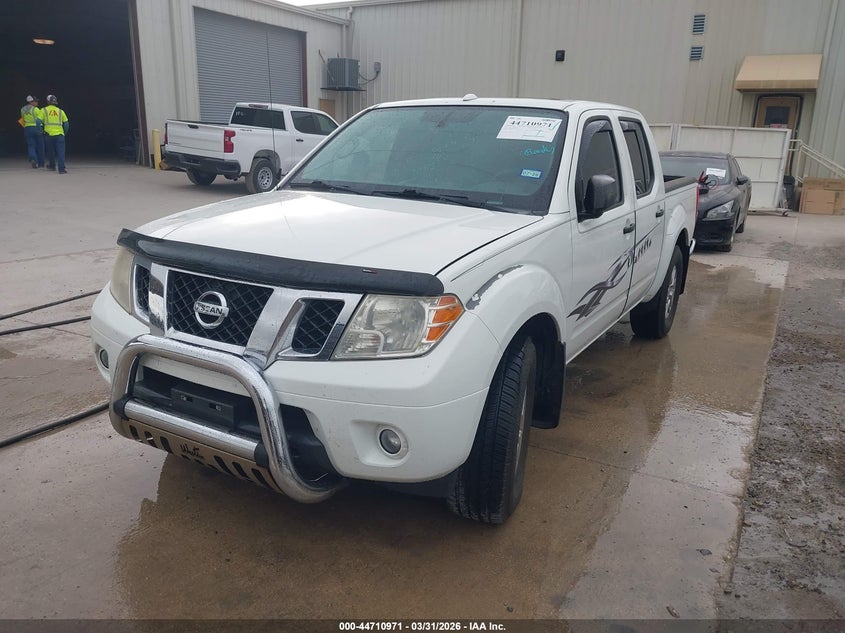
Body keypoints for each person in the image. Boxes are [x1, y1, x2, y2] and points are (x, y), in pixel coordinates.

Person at [43, 94, 69, 174]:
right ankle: (61, 169)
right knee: (61, 152)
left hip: (48, 135)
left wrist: (40, 130)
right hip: (60, 135)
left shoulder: (43, 110)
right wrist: (64, 133)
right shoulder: (61, 111)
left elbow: (37, 122)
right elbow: (66, 124)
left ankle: (52, 165)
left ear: (48, 102)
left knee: (50, 151)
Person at [20, 95, 45, 168]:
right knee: (40, 146)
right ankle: (41, 163)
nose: (37, 102)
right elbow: (41, 119)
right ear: (31, 102)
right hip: (37, 128)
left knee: (31, 145)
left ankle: (33, 159)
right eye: (35, 101)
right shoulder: (36, 109)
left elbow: (22, 119)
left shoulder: (22, 109)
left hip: (27, 128)